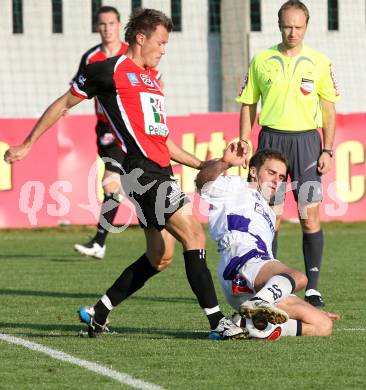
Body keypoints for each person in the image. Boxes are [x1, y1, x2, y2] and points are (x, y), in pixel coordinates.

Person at [4, 8, 248, 340]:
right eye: (161, 43)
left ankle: (98, 312)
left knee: (160, 256)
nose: (164, 50)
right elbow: (62, 104)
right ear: (140, 37)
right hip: (143, 173)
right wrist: (28, 144)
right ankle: (217, 322)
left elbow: (162, 139)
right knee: (194, 236)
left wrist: (204, 165)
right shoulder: (108, 70)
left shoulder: (151, 81)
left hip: (159, 171)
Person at [236, 0, 340, 307]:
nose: (292, 32)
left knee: (309, 217)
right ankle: (271, 284)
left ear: (306, 27)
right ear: (278, 25)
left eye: (298, 26)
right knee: (270, 217)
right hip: (271, 142)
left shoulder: (319, 62)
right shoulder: (262, 59)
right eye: (287, 26)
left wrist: (328, 148)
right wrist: (244, 140)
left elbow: (329, 109)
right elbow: (248, 103)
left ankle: (313, 287)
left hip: (307, 143)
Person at [196, 144, 340, 340]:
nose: (276, 181)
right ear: (253, 172)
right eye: (271, 173)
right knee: (299, 277)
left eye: (281, 178)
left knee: (323, 325)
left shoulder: (270, 215)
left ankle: (248, 325)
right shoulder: (237, 186)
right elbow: (202, 183)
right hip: (241, 259)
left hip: (254, 277)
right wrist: (224, 163)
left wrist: (298, 304)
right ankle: (257, 304)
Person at [72, 6, 161, 260]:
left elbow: (151, 78)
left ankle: (100, 242)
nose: (107, 28)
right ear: (97, 26)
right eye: (102, 24)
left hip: (129, 125)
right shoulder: (91, 58)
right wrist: (67, 108)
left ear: (119, 25)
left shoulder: (130, 53)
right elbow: (78, 87)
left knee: (111, 182)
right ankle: (102, 240)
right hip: (105, 126)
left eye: (111, 23)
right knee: (115, 184)